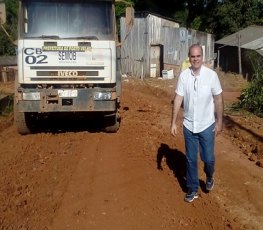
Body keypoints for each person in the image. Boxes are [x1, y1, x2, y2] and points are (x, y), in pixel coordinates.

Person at [170, 44, 224, 203]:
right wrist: (173, 122)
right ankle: (192, 188)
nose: (195, 59)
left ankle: (209, 175)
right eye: (192, 57)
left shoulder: (211, 76)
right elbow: (178, 98)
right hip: (188, 125)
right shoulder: (184, 76)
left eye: (198, 56)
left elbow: (219, 99)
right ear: (189, 58)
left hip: (207, 125)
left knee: (208, 158)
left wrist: (219, 122)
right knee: (191, 159)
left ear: (202, 57)